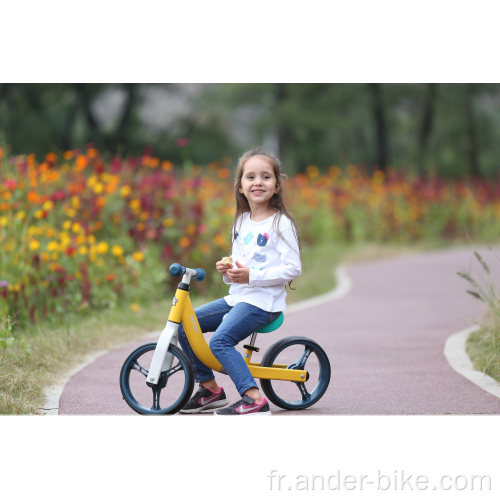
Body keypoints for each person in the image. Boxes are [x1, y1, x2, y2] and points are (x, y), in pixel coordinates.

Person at [177, 147, 302, 416]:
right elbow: (239, 265)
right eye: (251, 177)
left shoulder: (281, 224)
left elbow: (293, 268)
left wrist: (251, 275)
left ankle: (254, 397)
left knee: (220, 341)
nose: (258, 182)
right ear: (241, 187)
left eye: (266, 177)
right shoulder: (242, 221)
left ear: (277, 186)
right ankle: (210, 390)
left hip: (262, 302)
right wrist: (228, 269)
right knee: (186, 325)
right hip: (238, 298)